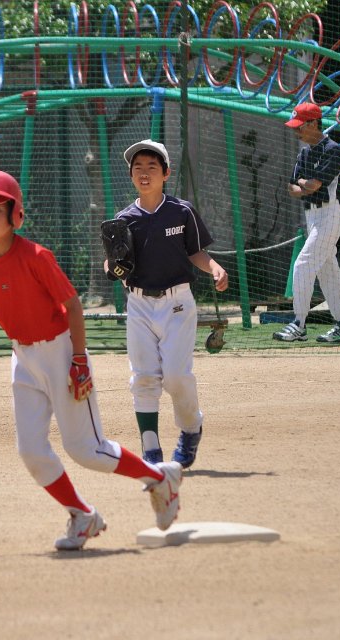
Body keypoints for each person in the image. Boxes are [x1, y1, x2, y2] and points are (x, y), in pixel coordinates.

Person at [0, 169, 182, 552]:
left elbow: (72, 306)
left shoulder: (36, 256)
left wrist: (78, 360)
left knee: (86, 449)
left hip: (61, 353)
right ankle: (82, 515)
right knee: (31, 451)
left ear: (14, 214)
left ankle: (159, 478)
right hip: (23, 358)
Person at [106, 140, 229, 467]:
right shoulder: (123, 219)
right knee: (143, 377)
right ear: (131, 175)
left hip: (177, 303)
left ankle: (191, 429)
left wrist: (215, 267)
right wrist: (111, 265)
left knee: (175, 376)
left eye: (152, 167)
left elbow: (195, 252)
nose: (144, 173)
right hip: (139, 304)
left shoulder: (181, 211)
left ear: (166, 173)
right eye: (138, 168)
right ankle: (151, 451)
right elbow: (114, 263)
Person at [273, 102, 340, 344]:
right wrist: (305, 184)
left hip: (329, 215)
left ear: (314, 123)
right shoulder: (305, 153)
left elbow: (314, 185)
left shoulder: (332, 149)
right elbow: (292, 188)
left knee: (303, 264)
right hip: (312, 216)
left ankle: (299, 324)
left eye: (300, 126)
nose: (296, 131)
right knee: (328, 270)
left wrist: (304, 183)